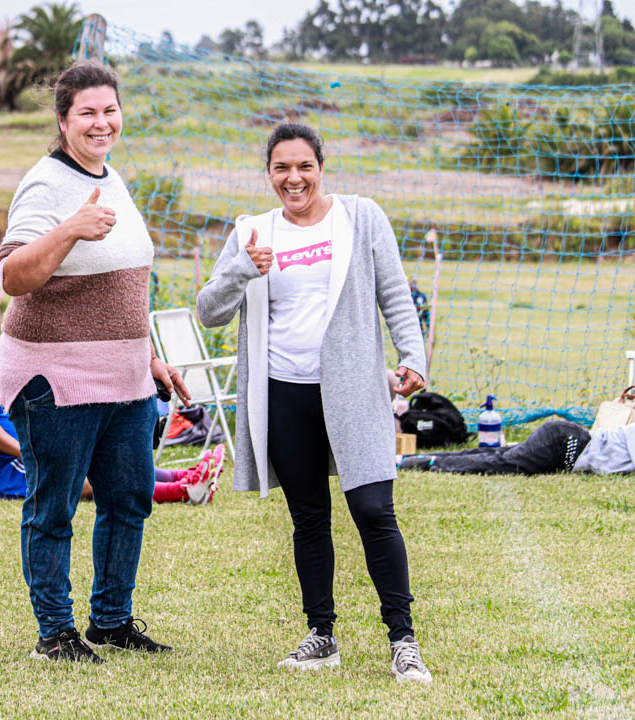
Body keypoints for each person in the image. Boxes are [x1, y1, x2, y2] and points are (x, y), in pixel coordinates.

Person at [196, 122, 433, 682]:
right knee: (309, 518)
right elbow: (209, 311)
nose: (294, 178)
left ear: (321, 168)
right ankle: (321, 636)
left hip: (353, 388)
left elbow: (394, 292)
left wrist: (414, 356)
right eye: (282, 168)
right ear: (269, 173)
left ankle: (403, 640)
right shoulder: (252, 231)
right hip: (283, 392)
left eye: (304, 166)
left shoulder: (361, 216)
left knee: (373, 510)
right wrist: (242, 267)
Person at [0, 63, 191, 663]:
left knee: (129, 499)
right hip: (57, 379)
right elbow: (12, 276)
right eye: (87, 112)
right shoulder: (46, 184)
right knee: (54, 507)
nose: (101, 123)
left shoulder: (113, 177)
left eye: (110, 110)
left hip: (126, 377)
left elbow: (122, 285)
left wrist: (148, 357)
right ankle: (55, 634)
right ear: (63, 120)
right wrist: (71, 229)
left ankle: (110, 621)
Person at [0, 309, 222, 504]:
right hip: (17, 467)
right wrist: (26, 453)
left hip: (29, 457)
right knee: (88, 479)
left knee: (105, 460)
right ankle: (184, 491)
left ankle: (184, 476)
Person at [399, 420, 634, 475]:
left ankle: (414, 458)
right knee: (504, 463)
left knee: (499, 454)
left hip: (566, 441)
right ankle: (429, 463)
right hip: (566, 444)